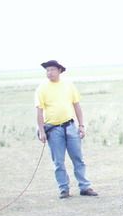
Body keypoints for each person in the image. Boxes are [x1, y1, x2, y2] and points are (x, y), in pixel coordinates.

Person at [35, 60, 98, 198]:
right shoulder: (42, 88)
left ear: (59, 70)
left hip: (70, 127)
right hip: (53, 130)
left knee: (78, 159)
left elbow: (77, 105)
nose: (49, 72)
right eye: (47, 70)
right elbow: (39, 111)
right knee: (58, 162)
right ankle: (64, 189)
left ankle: (85, 187)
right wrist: (41, 130)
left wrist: (81, 125)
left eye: (52, 69)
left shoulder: (68, 85)